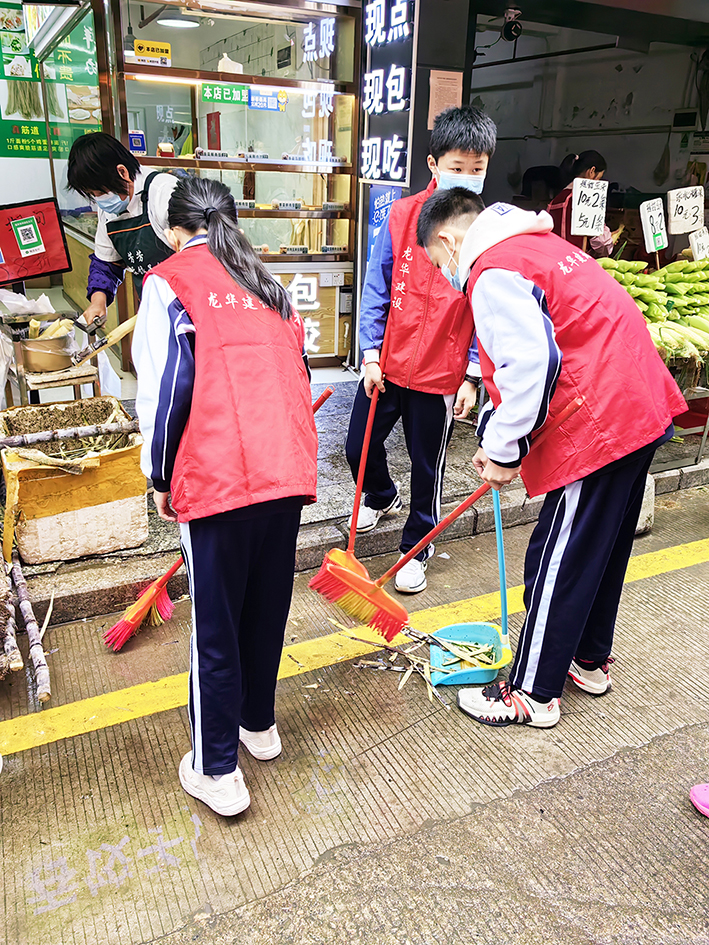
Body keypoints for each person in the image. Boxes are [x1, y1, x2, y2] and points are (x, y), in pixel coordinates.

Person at [416, 188, 686, 728]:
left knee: (556, 556)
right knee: (599, 548)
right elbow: (555, 345)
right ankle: (588, 660)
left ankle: (531, 692)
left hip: (600, 424)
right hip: (638, 405)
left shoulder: (491, 270)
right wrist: (501, 437)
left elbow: (532, 365)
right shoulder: (537, 245)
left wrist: (501, 451)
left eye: (438, 262)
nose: (447, 274)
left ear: (447, 240)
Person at [133, 176, 318, 816]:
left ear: (173, 230)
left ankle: (217, 768)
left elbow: (168, 390)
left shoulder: (169, 283)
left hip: (218, 477)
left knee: (214, 624)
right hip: (285, 470)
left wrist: (159, 476)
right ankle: (257, 726)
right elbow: (297, 374)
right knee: (265, 605)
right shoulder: (270, 286)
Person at [344, 106, 497, 595]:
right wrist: (369, 354)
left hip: (440, 373)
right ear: (433, 165)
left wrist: (472, 374)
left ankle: (416, 548)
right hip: (387, 364)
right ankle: (381, 494)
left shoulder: (489, 228)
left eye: (478, 169)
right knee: (357, 447)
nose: (467, 177)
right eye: (458, 166)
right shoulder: (402, 214)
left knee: (426, 467)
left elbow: (486, 307)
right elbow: (376, 287)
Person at [67, 132, 179, 325]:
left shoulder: (165, 193)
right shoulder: (109, 212)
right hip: (154, 311)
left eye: (101, 192)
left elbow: (202, 257)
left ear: (122, 172)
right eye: (93, 195)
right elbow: (106, 264)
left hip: (192, 310)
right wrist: (98, 302)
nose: (100, 200)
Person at [546, 150, 616, 256]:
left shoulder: (555, 201)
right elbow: (601, 243)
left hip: (556, 261)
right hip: (578, 264)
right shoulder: (587, 200)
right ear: (591, 171)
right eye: (599, 178)